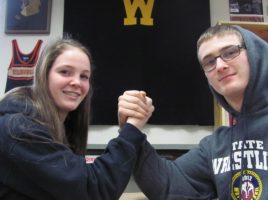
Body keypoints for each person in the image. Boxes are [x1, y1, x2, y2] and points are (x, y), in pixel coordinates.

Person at [118, 24, 268, 199]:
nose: (220, 65)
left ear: (255, 54)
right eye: (209, 61)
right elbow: (169, 186)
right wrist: (130, 130)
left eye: (230, 52)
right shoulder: (218, 144)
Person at [0, 38, 154, 200]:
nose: (76, 82)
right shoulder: (18, 128)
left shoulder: (60, 125)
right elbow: (94, 190)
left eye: (84, 76)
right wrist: (133, 127)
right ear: (44, 75)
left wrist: (126, 128)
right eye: (65, 72)